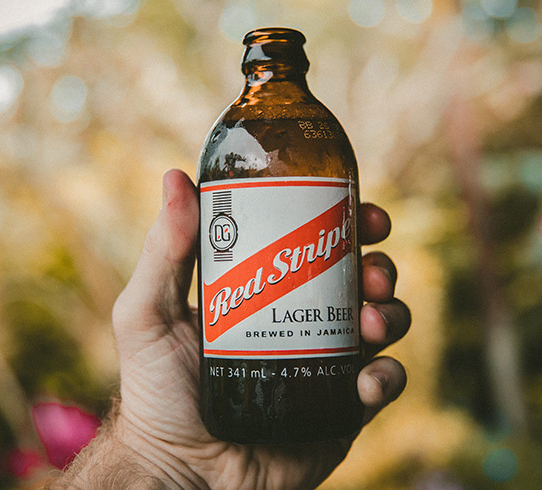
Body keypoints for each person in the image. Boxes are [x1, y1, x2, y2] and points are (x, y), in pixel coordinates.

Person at [49, 169, 411, 489]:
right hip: (223, 411)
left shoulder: (242, 137)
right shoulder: (232, 138)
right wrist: (153, 453)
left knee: (372, 304)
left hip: (302, 407)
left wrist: (160, 462)